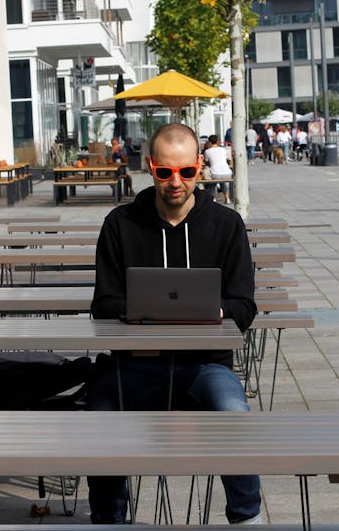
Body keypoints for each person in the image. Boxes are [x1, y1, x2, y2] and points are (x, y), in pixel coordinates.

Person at [87, 123, 260, 525]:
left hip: (206, 364)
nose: (176, 182)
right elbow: (103, 304)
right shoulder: (120, 224)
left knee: (234, 414)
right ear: (151, 167)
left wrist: (216, 311)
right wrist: (140, 309)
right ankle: (108, 520)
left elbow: (244, 305)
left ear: (200, 165)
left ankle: (247, 518)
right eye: (165, 172)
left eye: (186, 171)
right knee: (100, 417)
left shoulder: (226, 224)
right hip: (134, 363)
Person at [203, 134, 234, 203]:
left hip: (215, 174)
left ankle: (213, 198)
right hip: (228, 173)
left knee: (212, 182)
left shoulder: (207, 151)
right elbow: (227, 159)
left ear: (209, 142)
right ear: (218, 142)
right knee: (222, 182)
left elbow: (206, 162)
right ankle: (227, 198)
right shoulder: (223, 150)